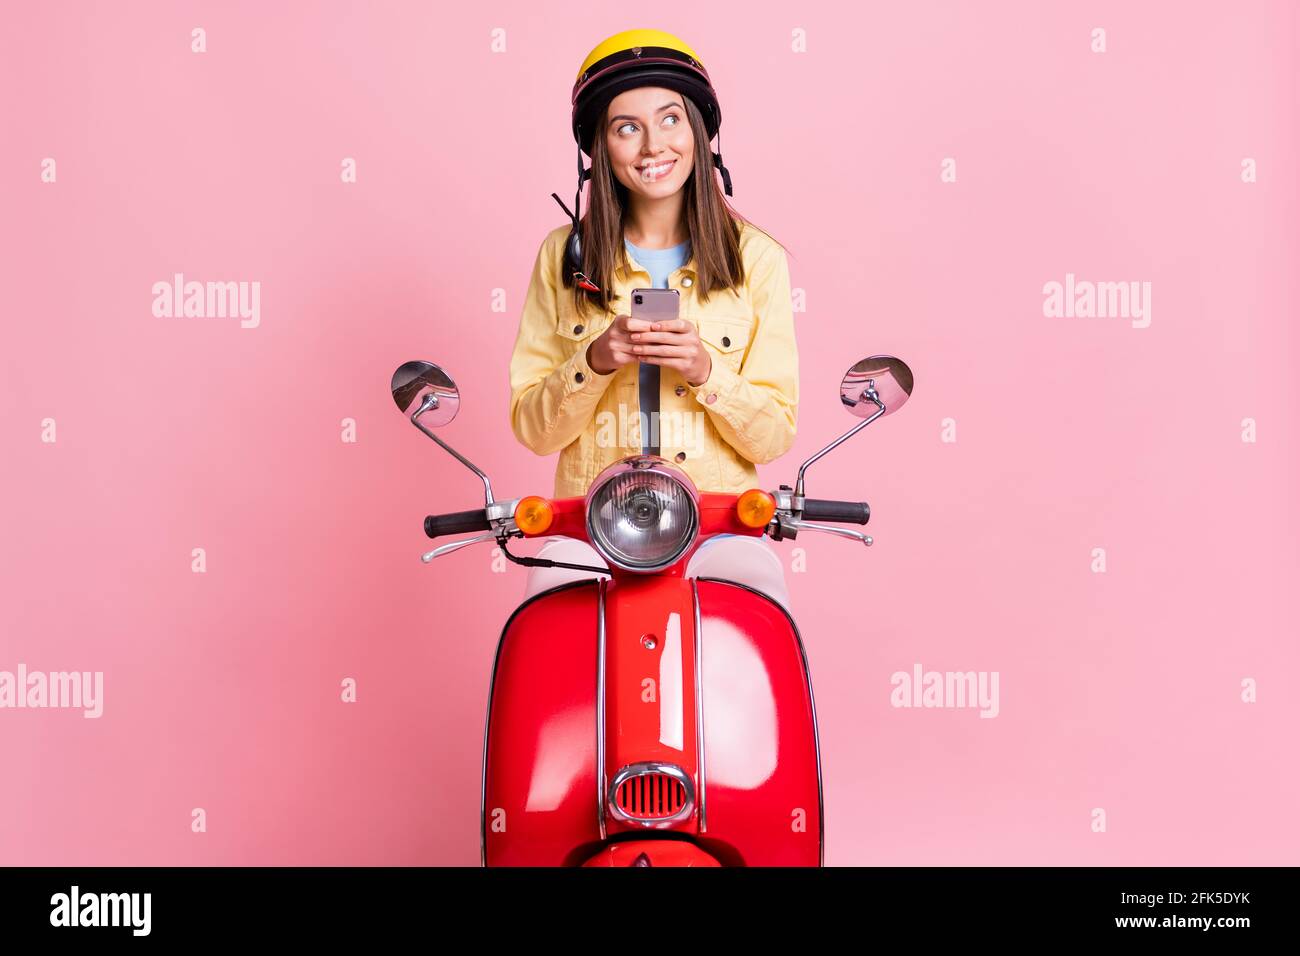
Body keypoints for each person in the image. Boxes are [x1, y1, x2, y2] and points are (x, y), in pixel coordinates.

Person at [508, 28, 798, 611]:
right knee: (543, 634)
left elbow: (772, 437)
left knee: (754, 642)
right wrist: (592, 361)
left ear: (698, 130)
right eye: (626, 128)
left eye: (669, 120)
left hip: (719, 526)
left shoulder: (757, 259)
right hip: (590, 527)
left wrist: (705, 371)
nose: (651, 147)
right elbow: (534, 431)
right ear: (600, 147)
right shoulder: (563, 257)